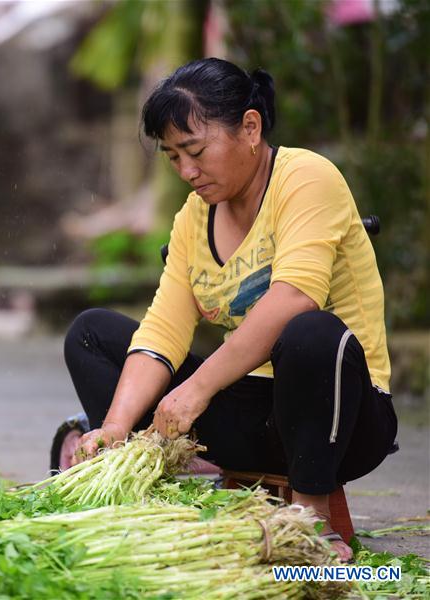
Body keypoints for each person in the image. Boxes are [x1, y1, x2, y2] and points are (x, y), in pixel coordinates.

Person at [62, 58, 397, 562]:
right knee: (92, 333)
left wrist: (195, 390)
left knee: (309, 330)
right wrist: (115, 425)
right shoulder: (193, 218)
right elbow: (162, 331)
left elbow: (294, 297)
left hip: (340, 420)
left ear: (250, 127)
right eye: (173, 158)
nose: (187, 171)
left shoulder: (307, 178)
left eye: (195, 151)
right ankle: (160, 488)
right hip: (249, 420)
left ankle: (307, 524)